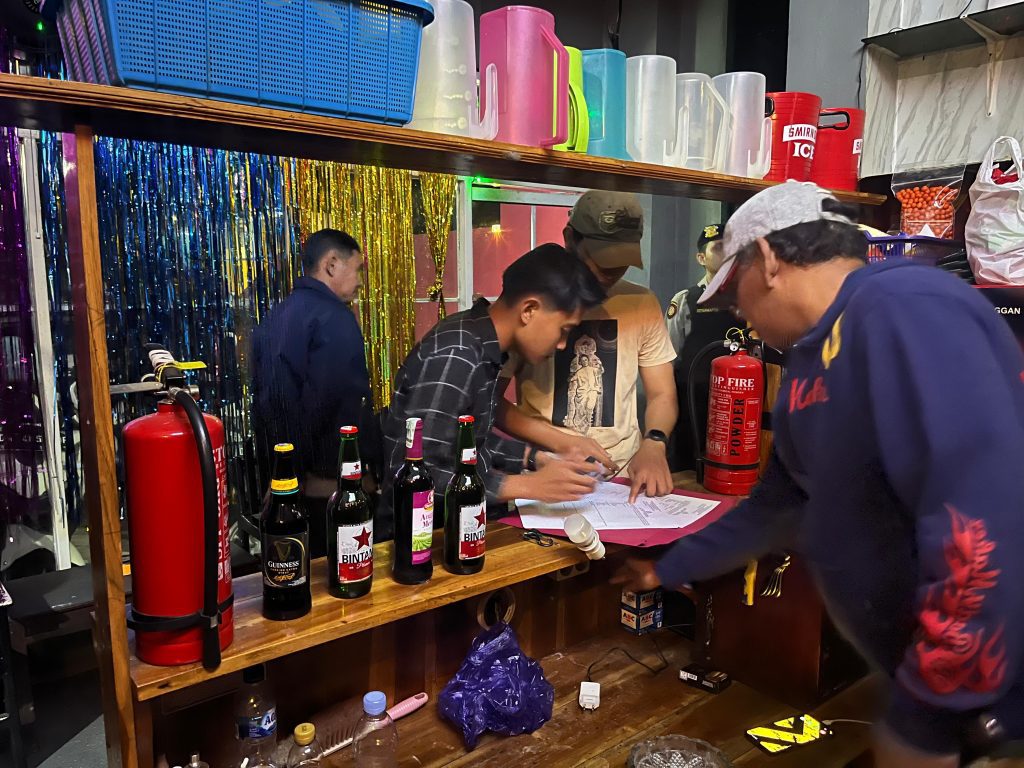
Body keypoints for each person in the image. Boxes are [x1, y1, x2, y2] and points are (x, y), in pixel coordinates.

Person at [614, 181, 1024, 767]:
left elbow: (984, 519)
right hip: (930, 690)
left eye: (733, 290)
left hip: (990, 707)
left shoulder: (907, 307)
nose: (735, 310)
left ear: (769, 260)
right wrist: (668, 567)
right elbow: (776, 505)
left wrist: (926, 721)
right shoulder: (811, 363)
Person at [378, 243, 607, 537]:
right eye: (563, 330)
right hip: (417, 541)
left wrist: (536, 458)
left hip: (457, 527)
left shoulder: (482, 343)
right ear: (529, 310)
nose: (562, 344)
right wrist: (527, 485)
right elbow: (419, 476)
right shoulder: (458, 354)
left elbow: (468, 445)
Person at [497, 191, 678, 503]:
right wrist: (559, 443)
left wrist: (654, 442)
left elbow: (662, 393)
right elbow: (489, 400)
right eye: (602, 258)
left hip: (623, 481)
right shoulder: (535, 302)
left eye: (623, 260)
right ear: (570, 238)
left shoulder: (641, 302)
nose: (612, 271)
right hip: (546, 477)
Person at [251, 228, 378, 558]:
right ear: (332, 264)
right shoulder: (333, 318)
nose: (360, 281)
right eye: (358, 269)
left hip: (295, 483)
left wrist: (282, 476)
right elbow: (328, 401)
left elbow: (271, 403)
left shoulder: (279, 314)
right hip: (330, 487)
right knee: (343, 572)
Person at [665, 224, 741, 471]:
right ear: (701, 258)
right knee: (687, 464)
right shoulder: (685, 300)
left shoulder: (748, 297)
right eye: (717, 247)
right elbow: (668, 356)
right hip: (693, 400)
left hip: (737, 401)